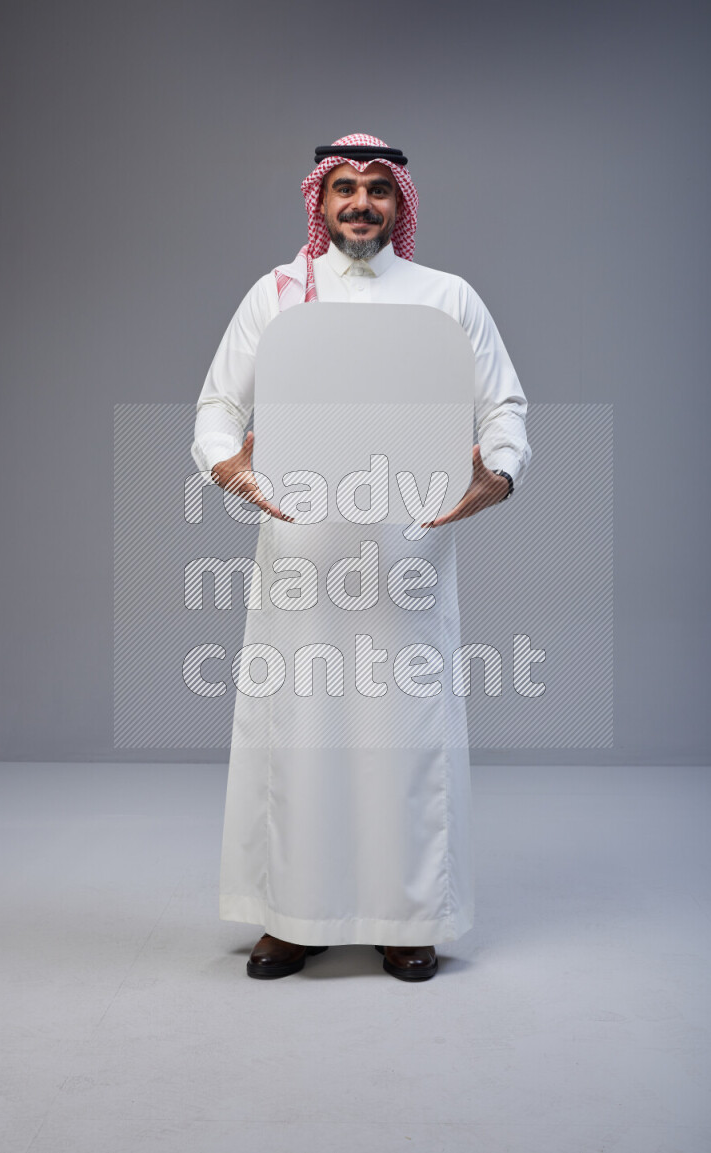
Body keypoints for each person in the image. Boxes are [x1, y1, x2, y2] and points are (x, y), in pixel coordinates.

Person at [191, 134, 531, 982]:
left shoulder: (448, 298)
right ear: (320, 198)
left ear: (400, 202)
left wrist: (501, 474)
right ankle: (292, 918)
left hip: (407, 554)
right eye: (345, 188)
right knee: (298, 734)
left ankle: (405, 916)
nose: (361, 205)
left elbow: (504, 407)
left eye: (378, 190)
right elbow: (217, 407)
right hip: (302, 553)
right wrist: (230, 467)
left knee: (404, 739)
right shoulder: (276, 296)